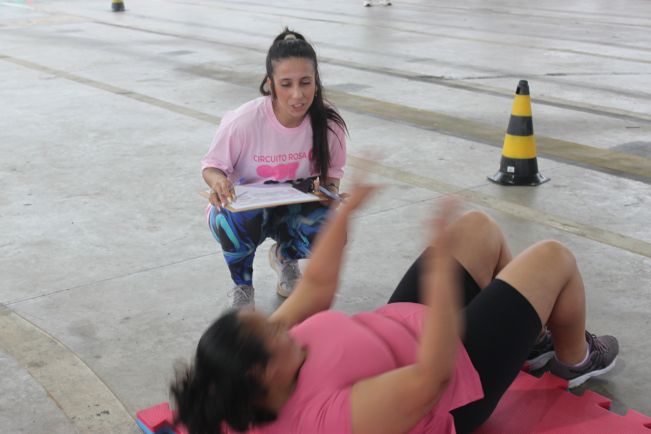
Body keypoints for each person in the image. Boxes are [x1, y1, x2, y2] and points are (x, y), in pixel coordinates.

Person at [171, 184, 619, 434]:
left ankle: (530, 338)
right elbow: (431, 377)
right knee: (553, 258)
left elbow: (318, 287)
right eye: (273, 331)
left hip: (400, 327)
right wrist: (440, 279)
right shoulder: (325, 422)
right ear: (262, 373)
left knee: (475, 229)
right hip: (457, 380)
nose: (280, 324)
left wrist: (346, 212)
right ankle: (574, 360)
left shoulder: (246, 375)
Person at [201, 28, 347, 308]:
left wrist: (330, 194)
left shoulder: (328, 123)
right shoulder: (244, 121)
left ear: (316, 81)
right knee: (230, 221)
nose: (297, 95)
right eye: (286, 84)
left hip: (293, 207)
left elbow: (332, 177)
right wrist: (218, 182)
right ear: (270, 84)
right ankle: (243, 286)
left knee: (332, 229)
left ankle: (285, 257)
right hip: (246, 211)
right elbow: (212, 167)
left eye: (305, 82)